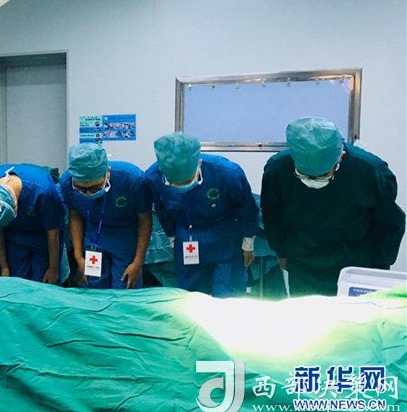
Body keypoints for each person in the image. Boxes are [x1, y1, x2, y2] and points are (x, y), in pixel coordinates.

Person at [261, 117, 405, 296]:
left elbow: (389, 222)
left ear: (340, 156)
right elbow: (272, 216)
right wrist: (282, 252)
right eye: (305, 175)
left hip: (355, 264)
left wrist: (379, 267)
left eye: (323, 175)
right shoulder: (278, 169)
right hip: (303, 263)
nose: (313, 181)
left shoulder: (370, 170)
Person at [146, 133, 258, 297]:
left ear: (199, 163)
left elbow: (247, 208)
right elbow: (162, 211)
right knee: (191, 295)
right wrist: (172, 239)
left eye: (187, 181)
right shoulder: (153, 177)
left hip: (225, 237)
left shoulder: (227, 173)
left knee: (227, 295)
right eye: (174, 184)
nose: (181, 187)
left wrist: (248, 242)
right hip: (187, 237)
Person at [60, 144, 152, 289]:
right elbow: (75, 215)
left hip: (125, 236)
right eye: (81, 189)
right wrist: (79, 257)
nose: (88, 193)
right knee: (93, 286)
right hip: (94, 235)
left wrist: (138, 262)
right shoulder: (67, 182)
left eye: (94, 187)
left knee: (125, 287)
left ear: (107, 172)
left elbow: (145, 220)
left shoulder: (132, 179)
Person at [0, 164, 66, 284]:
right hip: (14, 238)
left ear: (16, 205)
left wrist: (53, 269)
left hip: (43, 236)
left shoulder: (43, 191)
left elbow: (53, 232)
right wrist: (4, 266)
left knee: (43, 282)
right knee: (16, 280)